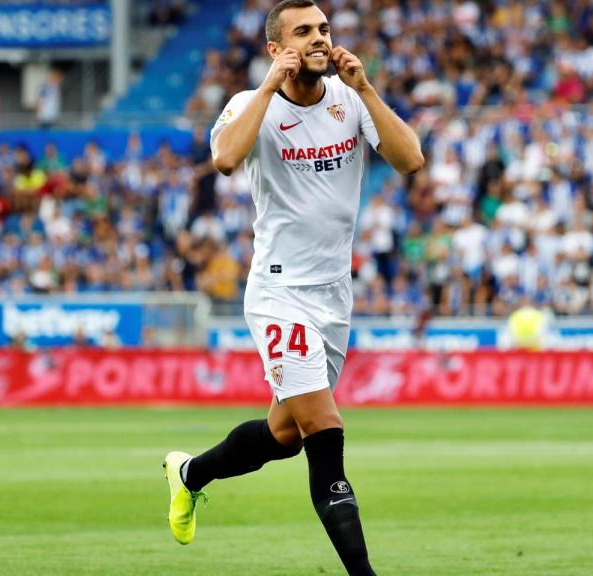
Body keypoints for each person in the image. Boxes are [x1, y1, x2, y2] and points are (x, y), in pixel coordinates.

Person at [162, 2, 423, 574]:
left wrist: (368, 89)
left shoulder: (349, 101)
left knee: (284, 435)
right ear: (276, 47)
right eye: (303, 31)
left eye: (324, 29)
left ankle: (190, 475)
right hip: (281, 293)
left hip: (333, 295)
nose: (320, 40)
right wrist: (269, 85)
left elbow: (411, 160)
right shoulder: (247, 106)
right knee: (326, 430)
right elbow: (226, 159)